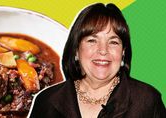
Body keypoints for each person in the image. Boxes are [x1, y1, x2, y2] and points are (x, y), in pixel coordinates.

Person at [28, 3, 166, 118]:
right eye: (92, 40)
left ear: (123, 52)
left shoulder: (147, 101)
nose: (103, 50)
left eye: (113, 42)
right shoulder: (46, 102)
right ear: (76, 49)